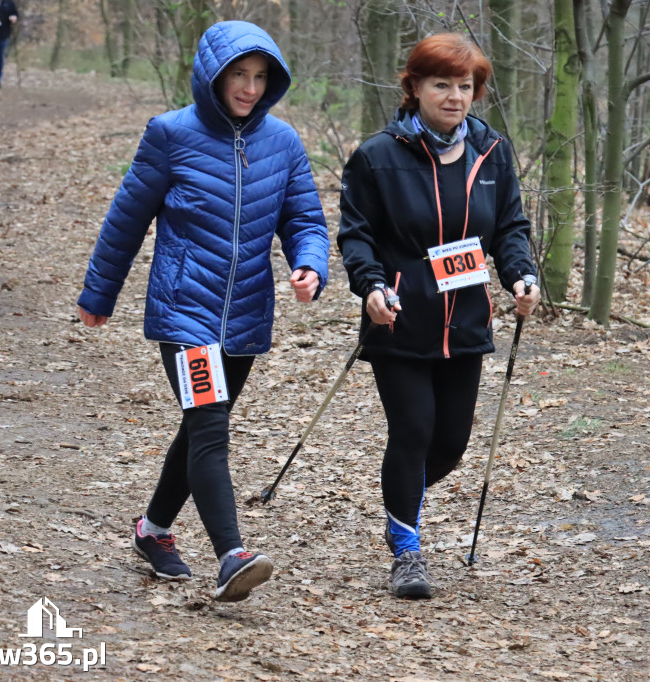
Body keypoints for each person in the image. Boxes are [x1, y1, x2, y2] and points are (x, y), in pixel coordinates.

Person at [77, 21, 329, 603]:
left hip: (244, 315)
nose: (248, 87)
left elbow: (306, 220)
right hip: (184, 309)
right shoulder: (170, 134)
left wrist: (310, 265)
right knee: (211, 428)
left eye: (260, 76)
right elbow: (126, 219)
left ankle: (153, 529)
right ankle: (231, 556)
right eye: (238, 75)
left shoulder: (284, 142)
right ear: (212, 77)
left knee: (200, 425)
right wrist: (99, 294)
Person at [337, 33, 541, 600]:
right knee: (413, 430)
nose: (455, 97)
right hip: (400, 317)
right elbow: (356, 236)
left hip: (467, 321)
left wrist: (521, 275)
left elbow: (509, 230)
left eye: (466, 86)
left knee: (450, 443)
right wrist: (371, 286)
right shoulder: (378, 154)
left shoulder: (493, 152)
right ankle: (407, 548)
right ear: (415, 88)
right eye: (442, 85)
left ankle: (399, 501)